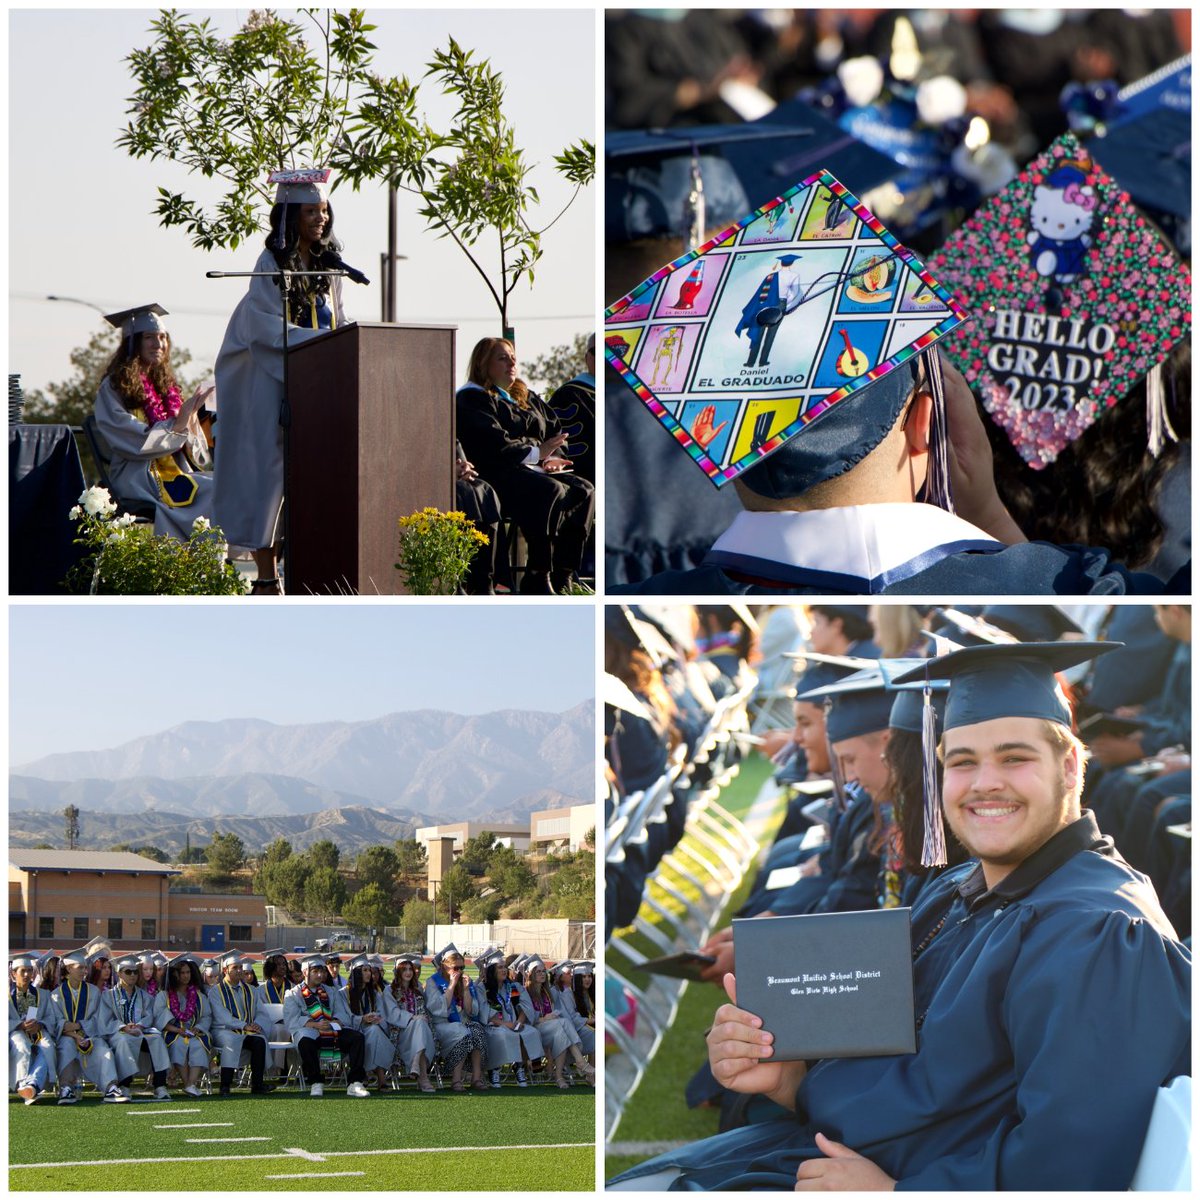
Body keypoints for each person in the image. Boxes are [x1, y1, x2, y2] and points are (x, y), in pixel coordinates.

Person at [609, 639, 1191, 1190]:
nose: (985, 783)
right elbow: (909, 1082)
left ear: (1070, 768)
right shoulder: (965, 891)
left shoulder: (1100, 934)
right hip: (826, 1153)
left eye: (1015, 758)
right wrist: (789, 1082)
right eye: (962, 762)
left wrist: (897, 1191)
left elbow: (1070, 1169)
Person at [611, 349, 1183, 596]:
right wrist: (989, 514)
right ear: (927, 425)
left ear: (714, 439)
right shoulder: (1073, 587)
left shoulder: (633, 595)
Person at [213, 167, 346, 595]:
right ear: (290, 216)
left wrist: (343, 343)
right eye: (311, 211)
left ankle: (308, 568)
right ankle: (267, 579)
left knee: (314, 473)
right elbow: (266, 333)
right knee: (269, 475)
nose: (319, 219)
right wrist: (322, 342)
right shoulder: (271, 263)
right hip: (265, 380)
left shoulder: (328, 265)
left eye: (323, 211)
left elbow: (338, 321)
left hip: (312, 379)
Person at [456, 338, 595, 593]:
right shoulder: (472, 399)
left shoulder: (524, 396)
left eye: (513, 357)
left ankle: (563, 574)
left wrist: (552, 458)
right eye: (502, 358)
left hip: (535, 469)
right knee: (550, 490)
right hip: (498, 474)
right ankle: (537, 574)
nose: (512, 363)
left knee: (584, 489)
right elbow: (493, 444)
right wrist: (536, 453)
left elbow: (556, 431)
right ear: (482, 364)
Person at [93, 304, 216, 541]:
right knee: (212, 493)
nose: (158, 344)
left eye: (162, 338)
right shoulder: (113, 387)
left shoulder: (165, 386)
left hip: (175, 470)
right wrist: (177, 426)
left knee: (223, 486)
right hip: (136, 475)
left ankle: (205, 567)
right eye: (149, 337)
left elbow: (190, 448)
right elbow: (134, 440)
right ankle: (188, 567)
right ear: (132, 342)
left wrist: (190, 420)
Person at [283, 954, 369, 1098]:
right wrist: (315, 1024)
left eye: (322, 971)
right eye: (315, 971)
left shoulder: (331, 991)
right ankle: (316, 1081)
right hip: (310, 1030)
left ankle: (355, 1082)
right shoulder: (293, 994)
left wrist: (335, 1021)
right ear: (305, 973)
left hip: (331, 1029)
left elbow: (342, 1012)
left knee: (357, 1038)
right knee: (305, 1042)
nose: (320, 974)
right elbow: (292, 1019)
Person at [50, 948, 124, 1105]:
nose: (85, 972)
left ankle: (110, 1087)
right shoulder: (56, 995)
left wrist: (78, 1026)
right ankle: (66, 1088)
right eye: (80, 968)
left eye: (85, 968)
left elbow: (98, 1019)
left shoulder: (94, 992)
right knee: (66, 1047)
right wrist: (74, 1035)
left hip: (90, 1035)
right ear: (69, 969)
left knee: (104, 1050)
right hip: (67, 1037)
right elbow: (55, 1022)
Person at [105, 954, 172, 1101]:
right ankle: (125, 1086)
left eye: (135, 971)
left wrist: (140, 1025)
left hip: (141, 1031)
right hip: (119, 1033)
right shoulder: (108, 996)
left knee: (157, 1039)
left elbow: (149, 1015)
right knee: (124, 1041)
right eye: (128, 972)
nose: (133, 975)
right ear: (119, 973)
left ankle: (160, 1086)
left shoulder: (144, 995)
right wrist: (124, 1027)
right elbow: (106, 1019)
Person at [424, 945, 489, 1092]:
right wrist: (452, 986)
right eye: (455, 968)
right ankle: (456, 1080)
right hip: (441, 1025)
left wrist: (466, 990)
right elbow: (437, 1009)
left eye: (462, 967)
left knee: (477, 1030)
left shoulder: (466, 982)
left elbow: (471, 1011)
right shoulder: (433, 982)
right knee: (462, 1032)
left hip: (462, 1022)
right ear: (444, 966)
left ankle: (476, 1078)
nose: (459, 971)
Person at [208, 951, 273, 1097]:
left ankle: (257, 1084)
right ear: (225, 970)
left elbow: (261, 1012)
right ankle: (225, 1085)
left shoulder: (250, 990)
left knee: (259, 1040)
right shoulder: (216, 992)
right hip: (223, 1030)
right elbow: (221, 1016)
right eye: (235, 968)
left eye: (240, 967)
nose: (239, 971)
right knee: (231, 1039)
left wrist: (256, 1024)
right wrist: (244, 1025)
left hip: (247, 1030)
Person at [524, 958, 594, 1088]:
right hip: (535, 1029)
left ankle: (560, 1076)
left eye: (543, 971)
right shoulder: (525, 992)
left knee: (561, 1032)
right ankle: (579, 1063)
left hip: (551, 1028)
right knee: (563, 1023)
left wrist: (551, 1017)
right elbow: (527, 1017)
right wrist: (544, 1018)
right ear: (531, 975)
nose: (542, 974)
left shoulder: (547, 992)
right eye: (538, 972)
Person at [479, 950, 538, 1088]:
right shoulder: (484, 989)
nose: (504, 970)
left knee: (530, 1032)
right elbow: (484, 1012)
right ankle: (495, 1069)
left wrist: (520, 1021)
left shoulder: (512, 987)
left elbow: (524, 1006)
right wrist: (505, 1024)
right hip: (494, 1026)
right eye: (500, 967)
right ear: (491, 970)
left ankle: (519, 1066)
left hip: (513, 1024)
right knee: (503, 1033)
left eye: (505, 967)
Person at [156, 955, 212, 1098]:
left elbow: (206, 1016)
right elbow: (159, 1018)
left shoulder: (198, 995)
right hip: (173, 1032)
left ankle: (190, 1084)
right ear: (175, 974)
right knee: (179, 1044)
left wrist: (198, 1027)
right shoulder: (164, 995)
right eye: (182, 973)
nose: (186, 976)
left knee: (198, 1045)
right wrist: (177, 1030)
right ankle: (189, 1085)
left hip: (194, 1032)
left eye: (188, 972)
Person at [10, 953, 59, 1105]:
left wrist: (40, 1024)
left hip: (37, 1031)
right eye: (22, 971)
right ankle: (24, 1084)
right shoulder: (5, 996)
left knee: (48, 1046)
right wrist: (18, 1024)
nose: (26, 975)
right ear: (13, 974)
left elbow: (52, 1018)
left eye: (29, 971)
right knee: (21, 1044)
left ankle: (32, 1085)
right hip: (14, 1032)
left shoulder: (42, 995)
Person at [387, 955, 436, 1092]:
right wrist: (412, 1017)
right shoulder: (389, 991)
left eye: (410, 969)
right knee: (419, 1022)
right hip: (401, 1034)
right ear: (398, 972)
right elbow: (391, 1014)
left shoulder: (418, 990)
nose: (408, 972)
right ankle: (424, 1078)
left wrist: (418, 1019)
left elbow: (425, 1013)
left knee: (421, 1024)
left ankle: (416, 1064)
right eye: (404, 970)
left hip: (420, 1032)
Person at [343, 954, 392, 1091]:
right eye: (364, 970)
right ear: (356, 973)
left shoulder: (374, 993)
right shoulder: (343, 994)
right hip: (352, 1031)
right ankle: (381, 1077)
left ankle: (367, 1073)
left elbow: (382, 1014)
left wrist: (377, 1018)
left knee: (375, 1031)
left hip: (371, 1029)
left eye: (369, 970)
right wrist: (362, 1019)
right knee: (374, 1033)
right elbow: (343, 1018)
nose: (369, 973)